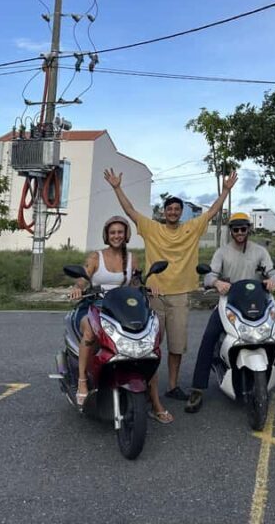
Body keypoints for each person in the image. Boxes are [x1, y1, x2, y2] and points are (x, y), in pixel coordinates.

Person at [104, 166, 238, 401]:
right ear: (163, 212)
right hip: (154, 295)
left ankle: (173, 386)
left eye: (177, 209)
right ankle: (147, 388)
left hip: (180, 295)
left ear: (181, 212)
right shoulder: (152, 228)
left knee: (176, 347)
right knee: (149, 346)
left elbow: (212, 212)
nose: (173, 212)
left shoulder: (191, 228)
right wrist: (117, 188)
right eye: (169, 209)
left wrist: (225, 190)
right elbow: (130, 211)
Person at [185, 212, 275, 413]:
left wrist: (272, 280)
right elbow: (209, 276)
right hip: (229, 302)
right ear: (231, 231)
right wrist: (216, 282)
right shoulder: (222, 252)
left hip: (258, 302)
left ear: (249, 229)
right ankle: (198, 388)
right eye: (236, 229)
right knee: (209, 337)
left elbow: (274, 272)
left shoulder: (260, 251)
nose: (239, 232)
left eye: (243, 228)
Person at [67, 216, 173, 424]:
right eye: (113, 232)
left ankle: (155, 402)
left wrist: (148, 287)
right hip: (95, 306)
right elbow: (82, 278)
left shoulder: (132, 258)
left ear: (126, 235)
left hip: (121, 310)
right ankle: (82, 381)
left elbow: (135, 283)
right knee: (89, 331)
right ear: (107, 235)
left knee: (147, 346)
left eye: (120, 232)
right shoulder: (96, 257)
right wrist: (77, 288)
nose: (116, 236)